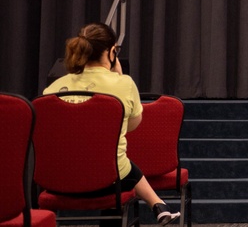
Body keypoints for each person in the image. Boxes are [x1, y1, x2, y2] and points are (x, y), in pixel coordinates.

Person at [43, 23, 181, 226]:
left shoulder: (53, 88)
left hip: (57, 180)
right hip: (109, 181)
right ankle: (158, 204)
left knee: (114, 162)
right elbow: (132, 125)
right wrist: (119, 76)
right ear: (111, 52)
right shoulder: (124, 84)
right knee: (118, 163)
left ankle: (158, 205)